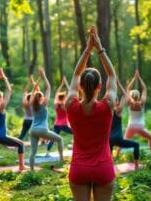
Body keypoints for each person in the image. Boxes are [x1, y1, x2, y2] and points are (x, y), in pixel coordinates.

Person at [65, 26, 117, 201]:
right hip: (103, 168)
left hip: (79, 168)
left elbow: (75, 74)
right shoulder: (107, 106)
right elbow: (112, 75)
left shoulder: (71, 105)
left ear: (80, 86)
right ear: (99, 87)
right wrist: (100, 49)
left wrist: (87, 50)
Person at [29, 68, 64, 171]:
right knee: (60, 139)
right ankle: (61, 158)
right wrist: (44, 76)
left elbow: (33, 89)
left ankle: (31, 170)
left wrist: (38, 79)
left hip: (32, 130)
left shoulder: (31, 104)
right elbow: (48, 87)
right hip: (42, 129)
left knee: (33, 151)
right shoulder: (44, 104)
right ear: (42, 98)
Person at [120, 70, 151, 154]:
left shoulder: (129, 102)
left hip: (131, 126)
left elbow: (128, 88)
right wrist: (139, 78)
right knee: (150, 138)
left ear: (131, 96)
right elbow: (144, 89)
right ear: (139, 96)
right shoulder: (141, 103)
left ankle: (117, 155)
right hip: (140, 127)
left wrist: (134, 79)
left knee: (123, 141)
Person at [110, 78, 140, 169]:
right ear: (117, 102)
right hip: (118, 138)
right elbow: (125, 95)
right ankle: (136, 167)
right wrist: (119, 84)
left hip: (108, 139)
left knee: (109, 151)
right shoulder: (118, 110)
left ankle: (109, 167)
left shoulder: (108, 111)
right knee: (136, 145)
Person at [46, 77, 72, 156]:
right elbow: (71, 92)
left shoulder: (56, 104)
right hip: (64, 125)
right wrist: (66, 83)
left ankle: (47, 152)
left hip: (56, 124)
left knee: (53, 138)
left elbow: (57, 93)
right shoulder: (65, 105)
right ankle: (75, 145)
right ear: (64, 97)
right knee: (76, 133)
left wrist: (61, 84)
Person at [18, 75, 35, 141]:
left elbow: (25, 91)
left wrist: (29, 82)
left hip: (26, 120)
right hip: (33, 121)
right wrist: (33, 82)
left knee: (22, 134)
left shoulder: (24, 103)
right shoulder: (33, 103)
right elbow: (37, 90)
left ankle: (16, 143)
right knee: (36, 134)